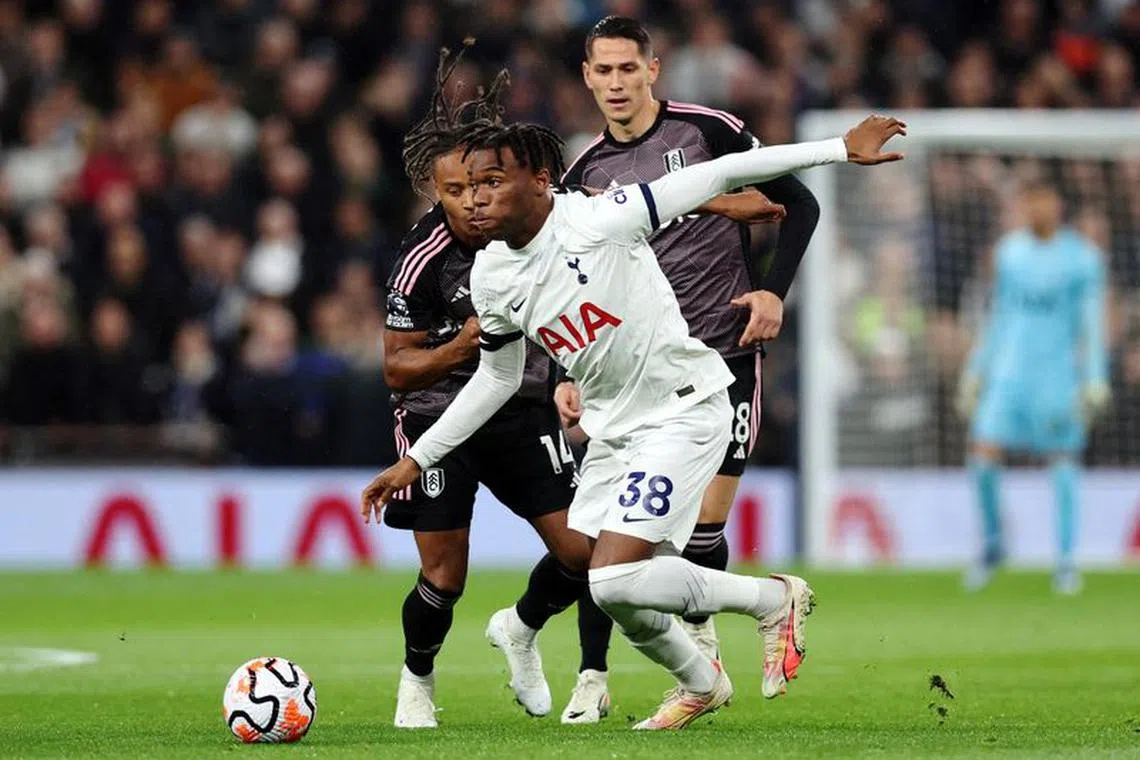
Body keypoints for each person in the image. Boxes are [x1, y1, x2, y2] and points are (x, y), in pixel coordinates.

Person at [363, 113, 906, 729]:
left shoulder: (602, 217)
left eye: (493, 181)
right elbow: (498, 378)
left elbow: (720, 172)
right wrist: (416, 459)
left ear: (541, 181)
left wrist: (840, 148)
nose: (478, 197)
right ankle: (702, 684)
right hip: (615, 431)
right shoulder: (491, 276)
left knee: (618, 576)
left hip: (683, 406)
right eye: (469, 186)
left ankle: (774, 598)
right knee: (609, 586)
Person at [378, 46, 780, 729]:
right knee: (446, 577)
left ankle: (545, 643)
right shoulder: (428, 261)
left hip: (533, 408)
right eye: (456, 191)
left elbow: (633, 207)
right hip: (438, 415)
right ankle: (417, 682)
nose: (473, 201)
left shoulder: (561, 211)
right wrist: (458, 357)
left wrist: (715, 203)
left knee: (588, 557)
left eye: (483, 183)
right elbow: (397, 367)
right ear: (439, 193)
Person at [556, 16, 820, 722]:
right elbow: (575, 281)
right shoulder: (584, 175)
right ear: (587, 77)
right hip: (635, 377)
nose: (615, 83)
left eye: (626, 69)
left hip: (723, 353)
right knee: (624, 541)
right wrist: (570, 368)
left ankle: (708, 668)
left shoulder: (708, 131)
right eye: (602, 71)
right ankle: (691, 668)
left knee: (703, 523)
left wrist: (773, 290)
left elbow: (800, 201)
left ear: (653, 68)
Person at [956, 180, 1108, 595]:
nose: (1039, 209)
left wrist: (1095, 377)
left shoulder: (1083, 258)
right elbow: (999, 316)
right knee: (982, 454)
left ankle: (1065, 560)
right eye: (1032, 202)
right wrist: (976, 370)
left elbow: (1091, 322)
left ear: (1058, 205)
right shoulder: (1010, 253)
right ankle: (992, 545)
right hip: (1009, 374)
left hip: (1057, 376)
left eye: (1047, 200)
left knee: (1062, 461)